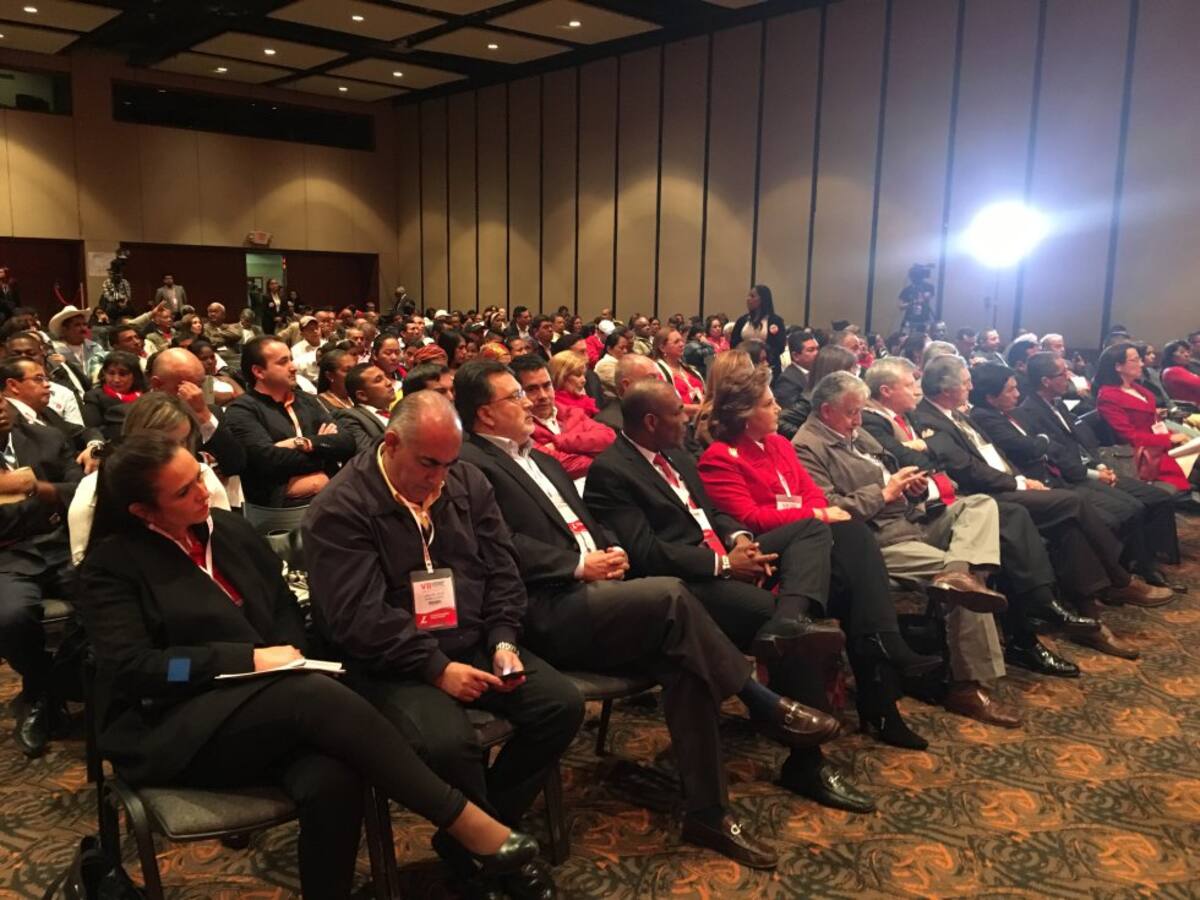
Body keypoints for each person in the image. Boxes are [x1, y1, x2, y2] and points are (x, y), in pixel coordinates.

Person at [80, 433, 542, 900]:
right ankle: (467, 822)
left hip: (266, 710)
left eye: (198, 476)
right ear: (143, 511)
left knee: (333, 778)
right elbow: (137, 669)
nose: (203, 490)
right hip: (171, 720)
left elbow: (284, 609)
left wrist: (289, 657)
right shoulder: (111, 567)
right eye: (182, 491)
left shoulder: (229, 530)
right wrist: (242, 661)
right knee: (308, 693)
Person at [456, 361, 843, 865]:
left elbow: (593, 525)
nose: (532, 402)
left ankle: (708, 813)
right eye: (516, 397)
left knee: (686, 659)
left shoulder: (543, 461)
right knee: (671, 596)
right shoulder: (469, 465)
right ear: (486, 413)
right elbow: (497, 545)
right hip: (545, 607)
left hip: (601, 593)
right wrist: (578, 564)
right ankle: (763, 702)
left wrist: (611, 552)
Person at [303, 392, 582, 898]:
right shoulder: (340, 508)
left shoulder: (467, 483)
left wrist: (503, 639)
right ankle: (491, 855)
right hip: (389, 664)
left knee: (560, 705)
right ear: (391, 444)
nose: (439, 478)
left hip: (473, 640)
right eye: (428, 463)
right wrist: (434, 667)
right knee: (449, 744)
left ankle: (470, 842)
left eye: (449, 464)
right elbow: (357, 619)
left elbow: (503, 569)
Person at [587, 379, 938, 764]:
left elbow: (716, 514)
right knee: (807, 605)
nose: (689, 417)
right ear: (651, 421)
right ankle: (809, 763)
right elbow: (645, 553)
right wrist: (723, 563)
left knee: (837, 535)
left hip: (730, 556)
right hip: (688, 581)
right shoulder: (613, 471)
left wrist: (737, 540)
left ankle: (826, 645)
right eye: (677, 412)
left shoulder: (676, 456)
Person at [794, 371, 1021, 726]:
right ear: (826, 411)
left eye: (859, 413)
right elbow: (829, 509)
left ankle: (957, 571)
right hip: (878, 539)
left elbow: (891, 467)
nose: (858, 421)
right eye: (852, 413)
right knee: (971, 583)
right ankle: (967, 684)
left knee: (979, 505)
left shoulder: (856, 432)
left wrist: (911, 486)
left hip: (911, 520)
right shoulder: (806, 447)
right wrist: (884, 493)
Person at [915, 356, 1171, 619]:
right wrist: (1018, 482)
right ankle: (1120, 580)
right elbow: (966, 467)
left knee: (1069, 523)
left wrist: (1020, 478)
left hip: (1007, 482)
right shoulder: (929, 419)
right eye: (966, 383)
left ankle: (1085, 599)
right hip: (983, 494)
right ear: (946, 390)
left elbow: (997, 454)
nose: (970, 388)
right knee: (1072, 503)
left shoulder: (957, 413)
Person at [971, 360, 1177, 598]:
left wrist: (1094, 465)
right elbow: (1028, 447)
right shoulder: (990, 416)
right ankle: (1116, 580)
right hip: (1037, 482)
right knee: (1110, 516)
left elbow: (1062, 444)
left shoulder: (1015, 412)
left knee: (1132, 507)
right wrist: (1045, 447)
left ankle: (1129, 572)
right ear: (990, 397)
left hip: (1063, 472)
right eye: (1010, 390)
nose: (1017, 393)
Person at [0, 394, 81, 757]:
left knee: (115, 596)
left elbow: (79, 487)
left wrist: (37, 490)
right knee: (10, 616)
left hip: (62, 543)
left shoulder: (45, 438)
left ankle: (61, 685)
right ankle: (42, 691)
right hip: (7, 554)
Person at [68, 392, 231, 564]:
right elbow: (83, 561)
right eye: (164, 443)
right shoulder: (94, 488)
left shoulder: (203, 473)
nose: (174, 451)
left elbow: (226, 541)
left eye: (181, 441)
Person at [224, 337, 354, 508]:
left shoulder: (307, 400)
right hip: (281, 511)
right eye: (283, 362)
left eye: (291, 359)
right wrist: (325, 450)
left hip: (332, 497)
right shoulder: (241, 410)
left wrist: (304, 443)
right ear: (259, 372)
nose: (293, 367)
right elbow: (267, 460)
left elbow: (347, 442)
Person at [1093, 342, 1195, 493]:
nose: (1141, 363)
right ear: (1118, 366)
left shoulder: (1137, 388)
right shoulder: (1109, 396)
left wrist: (1170, 435)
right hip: (1145, 456)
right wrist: (1167, 439)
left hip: (1160, 447)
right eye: (1135, 360)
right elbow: (1128, 436)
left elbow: (1152, 422)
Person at [147, 348, 246, 479]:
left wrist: (204, 415)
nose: (197, 394)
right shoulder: (133, 415)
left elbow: (236, 465)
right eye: (187, 387)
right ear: (157, 384)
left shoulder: (212, 413)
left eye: (200, 386)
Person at [510, 355, 614, 479]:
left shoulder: (572, 412)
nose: (543, 395)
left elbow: (609, 438)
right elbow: (556, 465)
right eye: (532, 389)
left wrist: (558, 442)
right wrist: (598, 456)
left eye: (547, 385)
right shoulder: (520, 428)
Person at [81, 351, 146, 441]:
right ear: (104, 373)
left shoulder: (146, 396)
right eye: (111, 373)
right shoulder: (94, 397)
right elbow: (92, 429)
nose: (116, 379)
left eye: (123, 374)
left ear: (134, 375)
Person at [334, 363, 394, 454]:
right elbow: (366, 454)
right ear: (362, 395)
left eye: (385, 376)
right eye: (378, 380)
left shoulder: (396, 411)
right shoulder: (349, 417)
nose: (389, 382)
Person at [729, 285, 785, 372]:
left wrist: (763, 351)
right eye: (748, 296)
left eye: (752, 296)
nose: (748, 299)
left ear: (762, 299)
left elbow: (780, 347)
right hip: (744, 365)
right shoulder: (742, 320)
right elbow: (733, 343)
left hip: (768, 365)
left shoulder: (775, 321)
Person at [653, 329, 706, 415]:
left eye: (682, 340)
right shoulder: (656, 371)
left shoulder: (691, 370)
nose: (682, 344)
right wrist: (699, 409)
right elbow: (665, 406)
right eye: (676, 342)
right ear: (662, 348)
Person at [49, 306, 103, 386]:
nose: (83, 328)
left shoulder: (95, 347)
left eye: (84, 324)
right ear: (64, 329)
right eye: (77, 325)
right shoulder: (55, 350)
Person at [548, 350, 598, 418]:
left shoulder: (582, 397)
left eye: (584, 375)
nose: (584, 380)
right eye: (578, 375)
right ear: (561, 377)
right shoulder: (555, 408)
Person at [593, 328, 629, 401]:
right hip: (613, 406)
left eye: (626, 348)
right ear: (609, 349)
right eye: (621, 348)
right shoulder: (604, 365)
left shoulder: (621, 362)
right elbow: (624, 388)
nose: (625, 351)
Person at [316, 348, 357, 412]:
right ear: (329, 376)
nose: (354, 373)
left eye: (355, 368)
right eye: (348, 370)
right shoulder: (321, 404)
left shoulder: (359, 396)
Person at [1160, 339, 1200, 404]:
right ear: (1170, 356)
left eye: (1188, 352)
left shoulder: (1186, 367)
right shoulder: (1172, 371)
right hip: (1192, 409)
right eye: (1182, 352)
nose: (1187, 355)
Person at [290, 316, 322, 383]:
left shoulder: (327, 345)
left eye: (317, 328)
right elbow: (299, 375)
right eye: (310, 329)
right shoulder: (296, 350)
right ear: (302, 334)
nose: (315, 331)